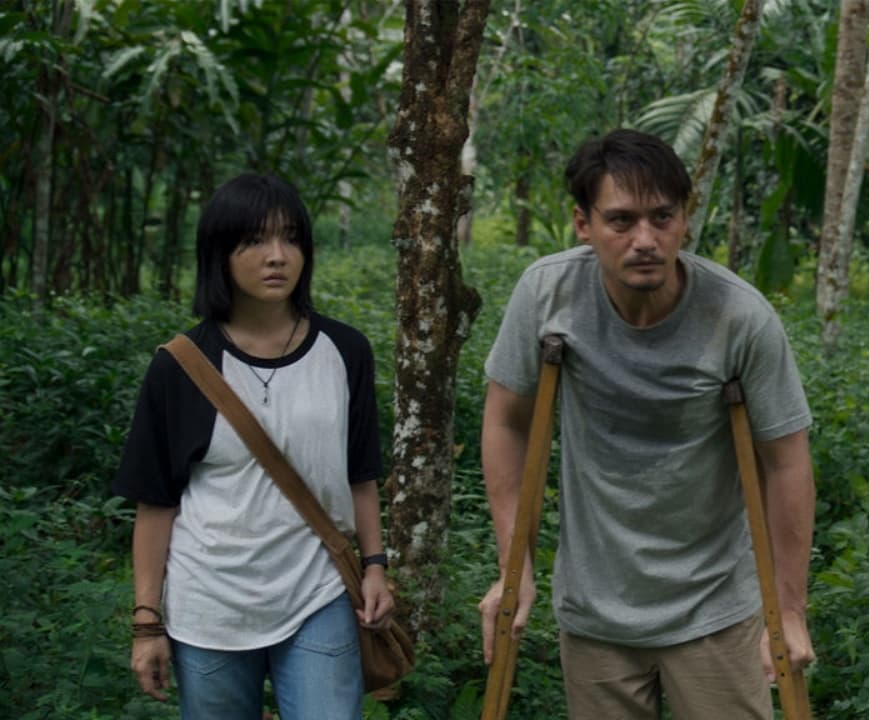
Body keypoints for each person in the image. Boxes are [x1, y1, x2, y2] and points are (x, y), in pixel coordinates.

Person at [478, 129, 816, 719]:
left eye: (663, 217)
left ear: (685, 220)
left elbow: (785, 461)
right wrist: (515, 567)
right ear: (583, 224)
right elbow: (508, 423)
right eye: (621, 220)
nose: (645, 240)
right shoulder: (549, 295)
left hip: (715, 609)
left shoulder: (739, 318)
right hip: (596, 614)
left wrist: (788, 611)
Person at [114, 173, 394, 719]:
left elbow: (360, 475)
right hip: (209, 605)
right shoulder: (180, 366)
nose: (277, 256)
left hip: (318, 594)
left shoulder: (345, 351)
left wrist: (375, 566)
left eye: (291, 238)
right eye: (255, 241)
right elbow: (156, 503)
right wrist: (147, 622)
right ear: (219, 253)